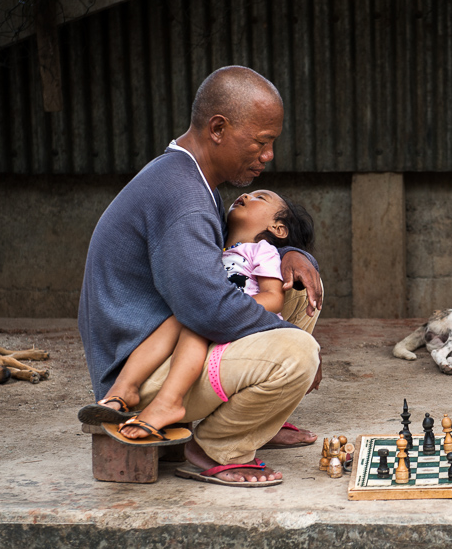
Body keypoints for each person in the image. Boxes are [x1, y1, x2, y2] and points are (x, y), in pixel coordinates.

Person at [78, 66, 323, 486]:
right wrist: (297, 340)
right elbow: (210, 309)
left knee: (297, 292)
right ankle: (213, 450)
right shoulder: (186, 199)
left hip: (162, 347)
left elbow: (237, 250)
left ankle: (248, 414)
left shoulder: (185, 174)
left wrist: (294, 253)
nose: (268, 155)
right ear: (218, 128)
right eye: (261, 142)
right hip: (142, 370)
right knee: (297, 354)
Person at [97, 189, 314, 445]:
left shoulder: (261, 251)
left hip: (241, 322)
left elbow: (274, 297)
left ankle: (169, 402)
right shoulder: (215, 248)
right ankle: (124, 389)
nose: (245, 195)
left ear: (278, 228)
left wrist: (228, 309)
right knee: (176, 320)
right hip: (214, 314)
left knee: (196, 324)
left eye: (260, 198)